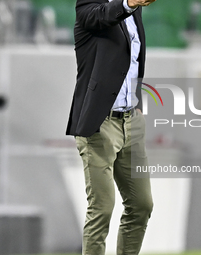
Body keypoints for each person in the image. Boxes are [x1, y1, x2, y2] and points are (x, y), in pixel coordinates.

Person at [66, 0, 156, 254]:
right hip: (100, 122)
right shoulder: (88, 9)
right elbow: (103, 16)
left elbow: (135, 58)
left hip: (131, 120)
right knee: (102, 208)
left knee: (142, 205)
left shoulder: (134, 11)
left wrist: (136, 100)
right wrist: (129, 3)